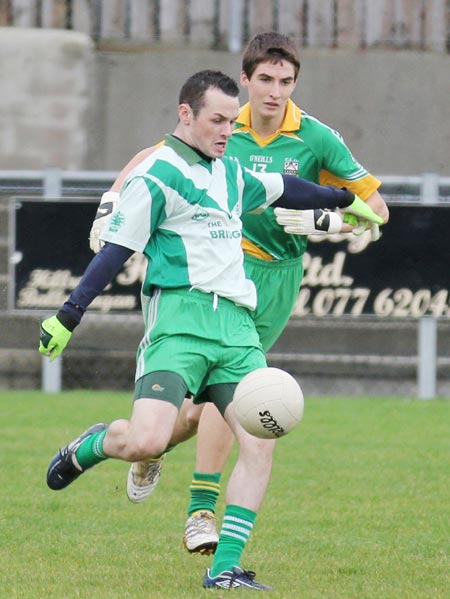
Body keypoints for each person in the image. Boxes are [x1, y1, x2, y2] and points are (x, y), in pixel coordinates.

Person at [89, 33, 390, 556]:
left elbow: (376, 213)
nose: (275, 92)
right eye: (266, 80)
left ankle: (149, 448)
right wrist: (109, 203)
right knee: (230, 403)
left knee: (193, 412)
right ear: (246, 80)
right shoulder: (223, 123)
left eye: (287, 81)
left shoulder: (317, 138)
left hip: (278, 277)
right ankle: (200, 513)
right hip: (220, 275)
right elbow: (148, 159)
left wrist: (326, 221)